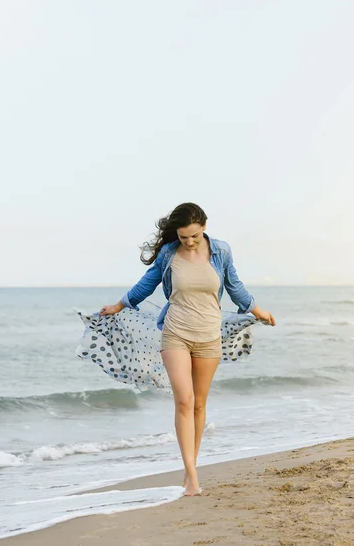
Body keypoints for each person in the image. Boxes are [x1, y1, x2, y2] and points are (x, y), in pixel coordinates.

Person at [98, 202, 276, 496]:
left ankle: (189, 466)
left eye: (194, 236)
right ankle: (192, 478)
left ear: (204, 227)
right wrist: (119, 305)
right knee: (184, 400)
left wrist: (258, 310)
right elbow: (148, 283)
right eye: (183, 237)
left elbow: (235, 286)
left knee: (199, 404)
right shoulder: (169, 253)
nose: (189, 242)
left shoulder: (221, 251)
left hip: (209, 336)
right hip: (175, 333)